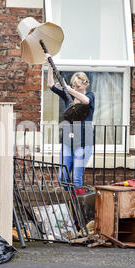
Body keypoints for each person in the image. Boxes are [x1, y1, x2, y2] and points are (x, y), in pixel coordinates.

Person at [45, 53, 95, 193]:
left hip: (84, 142)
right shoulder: (69, 97)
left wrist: (68, 88)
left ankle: (76, 209)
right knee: (63, 176)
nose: (75, 88)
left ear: (85, 84)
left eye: (78, 86)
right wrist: (49, 65)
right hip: (68, 140)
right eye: (73, 85)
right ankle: (69, 202)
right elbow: (50, 84)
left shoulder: (89, 95)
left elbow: (86, 101)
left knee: (76, 179)